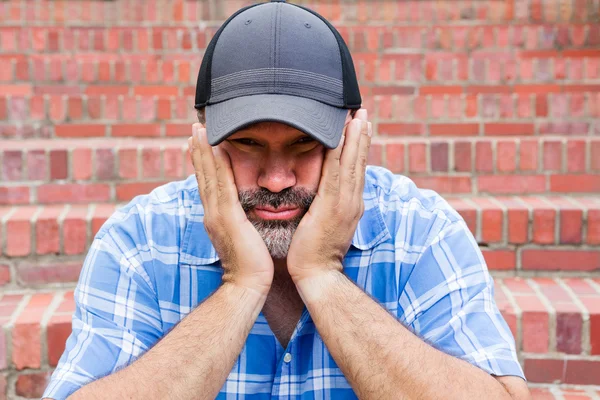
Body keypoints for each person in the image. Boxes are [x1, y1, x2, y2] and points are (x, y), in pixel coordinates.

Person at [43, 1, 531, 399]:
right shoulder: (139, 243)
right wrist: (241, 285)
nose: (276, 180)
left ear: (351, 137)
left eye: (304, 145)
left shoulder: (421, 232)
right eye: (248, 145)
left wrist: (322, 275)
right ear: (205, 143)